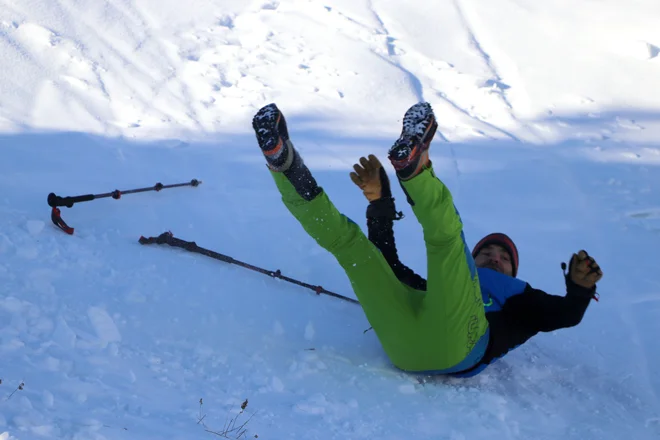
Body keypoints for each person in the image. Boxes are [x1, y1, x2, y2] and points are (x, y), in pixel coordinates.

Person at [252, 101, 604, 378]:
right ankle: (285, 166)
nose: (495, 258)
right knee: (350, 247)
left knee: (447, 240)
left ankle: (416, 170)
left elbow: (565, 315)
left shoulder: (519, 301)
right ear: (475, 262)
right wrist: (380, 202)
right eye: (488, 253)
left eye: (503, 257)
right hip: (402, 345)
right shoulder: (439, 287)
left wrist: (579, 290)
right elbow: (387, 267)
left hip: (461, 347)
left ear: (514, 271)